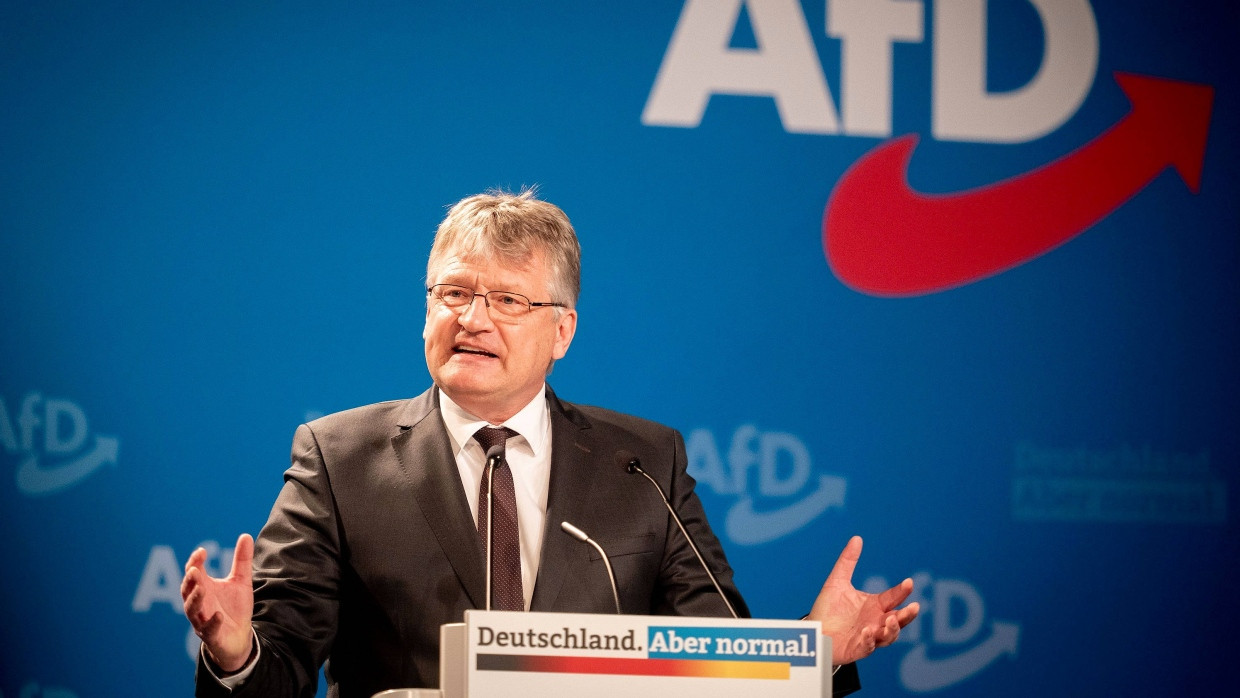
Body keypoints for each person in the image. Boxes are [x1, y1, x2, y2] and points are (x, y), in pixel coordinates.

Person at [182, 190, 919, 698]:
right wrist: (237, 650)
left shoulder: (644, 463)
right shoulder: (339, 458)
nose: (473, 318)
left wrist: (811, 655)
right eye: (453, 293)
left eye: (508, 300)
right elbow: (273, 674)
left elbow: (714, 666)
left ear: (562, 331)